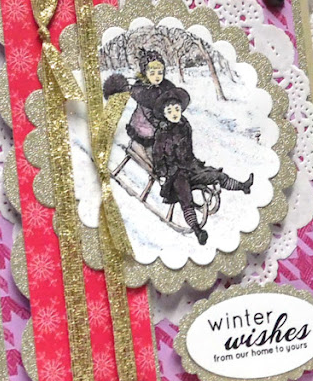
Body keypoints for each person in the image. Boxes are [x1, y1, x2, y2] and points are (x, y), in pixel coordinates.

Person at [152, 87, 254, 245]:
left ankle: (242, 186)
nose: (174, 113)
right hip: (174, 174)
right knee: (185, 197)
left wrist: (193, 164)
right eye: (169, 111)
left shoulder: (185, 126)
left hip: (190, 167)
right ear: (164, 114)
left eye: (177, 109)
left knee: (214, 174)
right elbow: (157, 156)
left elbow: (188, 149)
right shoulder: (162, 133)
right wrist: (162, 174)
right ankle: (197, 229)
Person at [103, 49, 175, 153]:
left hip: (162, 121)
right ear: (145, 73)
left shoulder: (166, 86)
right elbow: (148, 112)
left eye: (160, 72)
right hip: (145, 124)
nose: (157, 76)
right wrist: (160, 124)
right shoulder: (142, 90)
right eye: (152, 73)